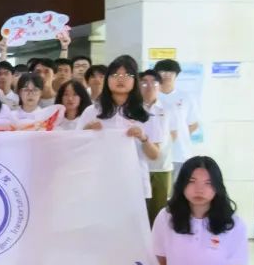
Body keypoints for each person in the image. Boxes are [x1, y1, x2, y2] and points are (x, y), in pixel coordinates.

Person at [78, 56, 163, 200]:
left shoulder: (145, 113)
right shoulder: (92, 111)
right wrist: (86, 131)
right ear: (108, 80)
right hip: (98, 184)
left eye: (127, 75)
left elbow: (155, 156)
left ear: (135, 81)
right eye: (115, 75)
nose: (120, 79)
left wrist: (143, 138)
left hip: (134, 184)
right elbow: (77, 148)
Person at [154, 59, 201, 182]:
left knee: (179, 189)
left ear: (176, 75)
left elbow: (193, 123)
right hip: (157, 155)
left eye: (171, 72)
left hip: (181, 154)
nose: (167, 75)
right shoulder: (152, 97)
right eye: (163, 72)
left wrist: (180, 136)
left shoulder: (186, 97)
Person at [140, 70, 173, 223]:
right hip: (139, 167)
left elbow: (174, 133)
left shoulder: (167, 109)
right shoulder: (132, 109)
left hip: (161, 167)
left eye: (154, 82)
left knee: (159, 214)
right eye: (144, 83)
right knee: (140, 213)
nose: (149, 86)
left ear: (159, 86)